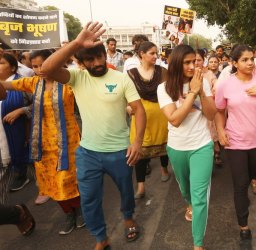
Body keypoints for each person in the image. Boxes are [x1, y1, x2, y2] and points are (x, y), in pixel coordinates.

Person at [40, 22, 146, 249]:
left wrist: (137, 142)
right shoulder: (77, 78)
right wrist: (76, 43)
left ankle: (128, 218)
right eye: (90, 59)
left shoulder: (121, 78)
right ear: (80, 62)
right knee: (89, 200)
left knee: (126, 192)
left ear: (104, 54)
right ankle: (101, 238)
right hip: (88, 153)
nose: (97, 63)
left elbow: (139, 109)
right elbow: (47, 70)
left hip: (120, 151)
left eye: (99, 57)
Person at [0, 49, 85, 234]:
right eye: (35, 66)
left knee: (68, 180)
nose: (40, 69)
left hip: (68, 141)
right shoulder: (33, 83)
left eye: (43, 65)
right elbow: (5, 86)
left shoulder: (69, 82)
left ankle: (80, 211)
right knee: (51, 182)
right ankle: (68, 213)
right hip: (42, 144)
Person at [215, 45, 256, 240]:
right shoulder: (225, 85)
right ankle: (244, 225)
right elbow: (219, 111)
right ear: (234, 63)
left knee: (254, 172)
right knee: (240, 184)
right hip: (235, 141)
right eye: (244, 60)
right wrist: (220, 131)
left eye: (252, 59)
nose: (250, 62)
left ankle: (253, 179)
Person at [157, 45, 217, 250]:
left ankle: (197, 244)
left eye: (196, 61)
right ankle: (188, 203)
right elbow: (175, 120)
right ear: (176, 64)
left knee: (200, 196)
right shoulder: (164, 88)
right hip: (177, 147)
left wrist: (201, 91)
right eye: (188, 62)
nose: (193, 66)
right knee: (185, 189)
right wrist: (192, 92)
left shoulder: (202, 84)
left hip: (201, 145)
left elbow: (210, 114)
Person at [126, 41, 170, 200]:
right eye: (152, 53)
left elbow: (170, 91)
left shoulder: (163, 71)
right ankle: (141, 185)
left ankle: (164, 169)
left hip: (161, 114)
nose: (155, 56)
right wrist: (127, 107)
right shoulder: (130, 73)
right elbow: (124, 94)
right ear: (141, 54)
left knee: (164, 145)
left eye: (156, 53)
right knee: (140, 149)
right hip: (139, 115)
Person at [0, 54, 31, 194]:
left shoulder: (24, 83)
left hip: (22, 128)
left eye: (1, 63)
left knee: (22, 150)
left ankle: (22, 174)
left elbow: (39, 103)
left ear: (13, 67)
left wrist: (21, 110)